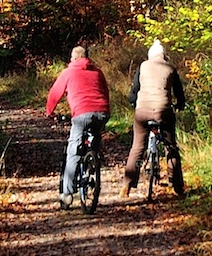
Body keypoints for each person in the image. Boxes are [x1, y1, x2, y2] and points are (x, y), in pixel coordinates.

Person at [46, 45, 110, 208]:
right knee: (95, 135)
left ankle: (67, 194)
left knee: (73, 150)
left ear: (73, 59)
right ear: (87, 58)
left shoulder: (69, 72)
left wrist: (49, 112)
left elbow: (54, 94)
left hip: (81, 114)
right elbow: (105, 91)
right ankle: (93, 161)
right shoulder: (97, 71)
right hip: (102, 112)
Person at [124, 40, 187, 197]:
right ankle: (177, 186)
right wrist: (179, 104)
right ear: (164, 55)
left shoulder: (143, 66)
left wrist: (134, 102)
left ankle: (127, 185)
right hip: (163, 111)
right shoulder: (170, 68)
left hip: (142, 111)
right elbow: (179, 93)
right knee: (170, 147)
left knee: (138, 147)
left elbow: (134, 92)